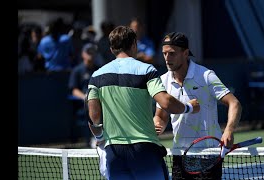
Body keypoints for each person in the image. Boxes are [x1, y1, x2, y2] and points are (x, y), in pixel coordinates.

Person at [86, 26, 200, 180]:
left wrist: (100, 140)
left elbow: (95, 117)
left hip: (114, 153)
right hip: (144, 151)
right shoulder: (146, 70)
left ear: (112, 48)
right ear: (134, 45)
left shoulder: (96, 76)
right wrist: (189, 107)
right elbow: (165, 102)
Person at [154, 32, 242, 180]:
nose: (167, 58)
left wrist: (229, 130)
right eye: (164, 54)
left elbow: (234, 103)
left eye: (172, 54)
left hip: (208, 154)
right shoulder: (162, 81)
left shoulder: (206, 76)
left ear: (185, 53)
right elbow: (161, 115)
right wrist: (158, 123)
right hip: (179, 154)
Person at [68, 43, 99, 147]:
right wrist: (85, 97)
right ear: (83, 54)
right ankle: (88, 140)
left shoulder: (99, 70)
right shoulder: (77, 70)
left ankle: (98, 138)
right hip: (83, 105)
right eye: (88, 52)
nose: (91, 55)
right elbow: (74, 90)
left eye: (92, 52)